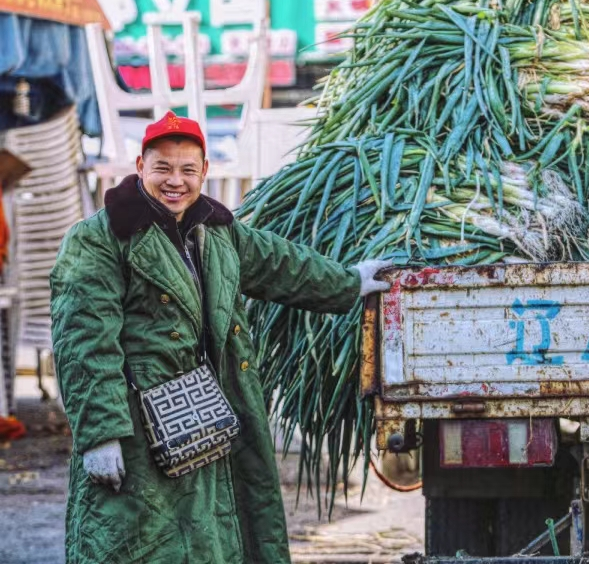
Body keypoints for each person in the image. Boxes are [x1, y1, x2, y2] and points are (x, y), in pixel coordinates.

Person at [50, 111, 392, 564]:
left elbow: (281, 264)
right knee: (145, 544)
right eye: (163, 168)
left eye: (188, 170)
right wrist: (100, 434)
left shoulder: (216, 229)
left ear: (204, 171)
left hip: (212, 417)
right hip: (140, 429)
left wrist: (350, 282)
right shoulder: (99, 239)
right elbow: (85, 340)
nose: (176, 181)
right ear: (140, 167)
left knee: (213, 540)